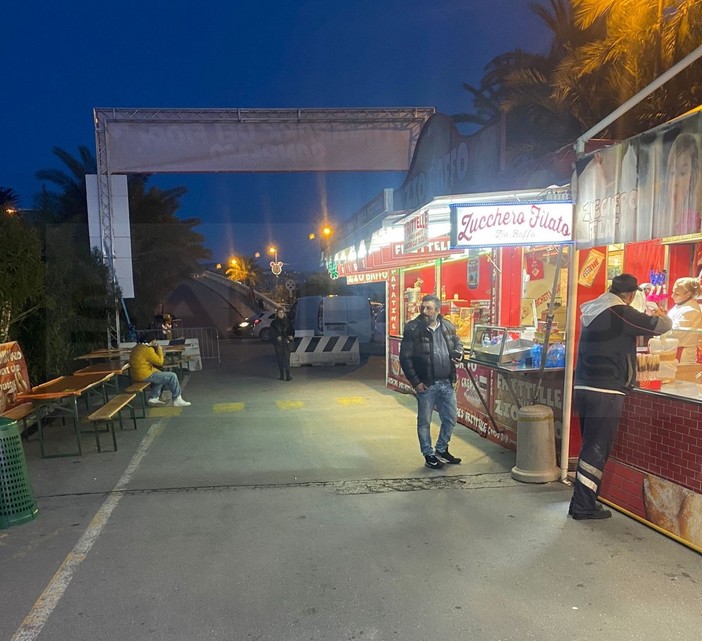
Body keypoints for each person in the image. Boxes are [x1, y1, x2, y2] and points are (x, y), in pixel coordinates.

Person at [570, 274, 671, 520]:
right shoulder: (620, 313)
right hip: (606, 390)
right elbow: (662, 326)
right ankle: (583, 506)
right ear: (631, 295)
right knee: (596, 448)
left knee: (589, 445)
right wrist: (661, 312)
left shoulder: (593, 309)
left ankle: (581, 501)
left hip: (584, 385)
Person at [399, 294, 464, 469]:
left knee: (450, 418)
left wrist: (459, 354)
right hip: (426, 384)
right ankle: (428, 454)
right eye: (423, 307)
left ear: (437, 310)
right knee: (424, 422)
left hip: (446, 383)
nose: (425, 311)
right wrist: (416, 382)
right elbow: (405, 358)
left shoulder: (448, 327)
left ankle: (441, 449)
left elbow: (458, 343)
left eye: (429, 308)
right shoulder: (412, 328)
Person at [129, 339, 191, 407]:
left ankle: (154, 397)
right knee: (172, 376)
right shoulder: (147, 349)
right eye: (155, 341)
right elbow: (160, 362)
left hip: (136, 374)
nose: (156, 342)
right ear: (152, 341)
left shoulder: (136, 347)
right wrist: (159, 349)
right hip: (144, 375)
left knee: (160, 375)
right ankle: (177, 399)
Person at [667, 276, 702, 363]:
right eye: (673, 292)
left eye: (677, 294)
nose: (672, 296)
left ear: (688, 295)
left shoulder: (691, 310)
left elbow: (675, 333)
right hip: (674, 351)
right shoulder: (681, 306)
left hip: (682, 355)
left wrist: (662, 319)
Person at [270, 307, 295, 381]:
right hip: (279, 344)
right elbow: (271, 333)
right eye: (279, 313)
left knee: (287, 359)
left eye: (282, 313)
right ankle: (281, 375)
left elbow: (292, 330)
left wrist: (291, 336)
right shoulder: (274, 323)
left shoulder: (288, 322)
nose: (281, 314)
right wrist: (276, 337)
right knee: (280, 359)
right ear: (277, 314)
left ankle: (288, 375)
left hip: (287, 343)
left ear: (284, 313)